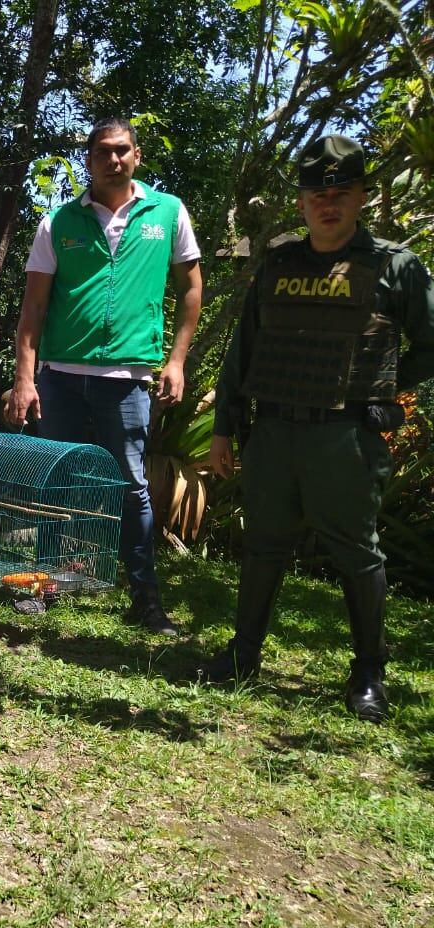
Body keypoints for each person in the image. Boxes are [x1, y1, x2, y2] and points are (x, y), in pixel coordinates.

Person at [201, 134, 434, 722]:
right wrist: (225, 428)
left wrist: (389, 384)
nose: (328, 201)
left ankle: (368, 675)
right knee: (263, 546)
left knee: (357, 552)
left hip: (345, 436)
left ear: (361, 197)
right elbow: (243, 352)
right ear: (302, 201)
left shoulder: (394, 266)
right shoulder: (279, 263)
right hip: (276, 431)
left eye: (341, 190)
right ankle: (243, 657)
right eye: (316, 192)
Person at [4, 117, 203, 635]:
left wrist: (176, 360)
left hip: (128, 376)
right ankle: (41, 585)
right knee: (55, 479)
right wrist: (25, 379)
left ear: (136, 155)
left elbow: (190, 291)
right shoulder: (58, 221)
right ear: (88, 159)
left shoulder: (168, 213)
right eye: (102, 152)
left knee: (132, 487)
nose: (113, 160)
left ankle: (144, 599)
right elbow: (34, 307)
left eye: (122, 151)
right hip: (62, 376)